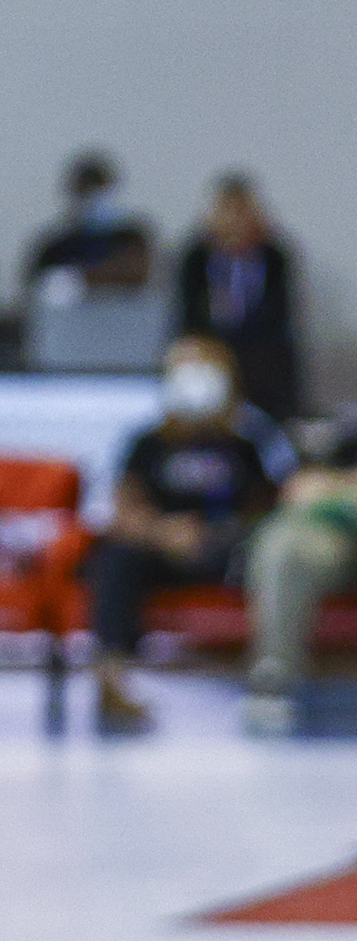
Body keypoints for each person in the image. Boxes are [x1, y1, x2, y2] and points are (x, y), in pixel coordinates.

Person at [88, 334, 278, 729]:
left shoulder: (245, 445)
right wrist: (163, 532)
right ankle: (113, 677)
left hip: (226, 551)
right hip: (161, 549)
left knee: (268, 556)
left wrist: (216, 535)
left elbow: (265, 511)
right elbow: (123, 509)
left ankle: (269, 680)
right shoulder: (147, 444)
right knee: (116, 559)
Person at [242, 418, 357, 733]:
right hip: (333, 532)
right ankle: (274, 678)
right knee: (283, 543)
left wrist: (336, 487)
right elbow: (300, 489)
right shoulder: (332, 430)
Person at [176, 173, 301, 424]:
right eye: (228, 212)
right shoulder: (195, 257)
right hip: (209, 345)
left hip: (257, 347)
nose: (235, 221)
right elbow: (187, 315)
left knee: (276, 356)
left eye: (241, 211)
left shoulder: (274, 256)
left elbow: (280, 313)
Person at [27, 150, 154, 306]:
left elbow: (140, 276)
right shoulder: (55, 248)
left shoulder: (132, 239)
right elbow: (39, 288)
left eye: (99, 192)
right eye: (86, 193)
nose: (93, 201)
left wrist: (81, 278)